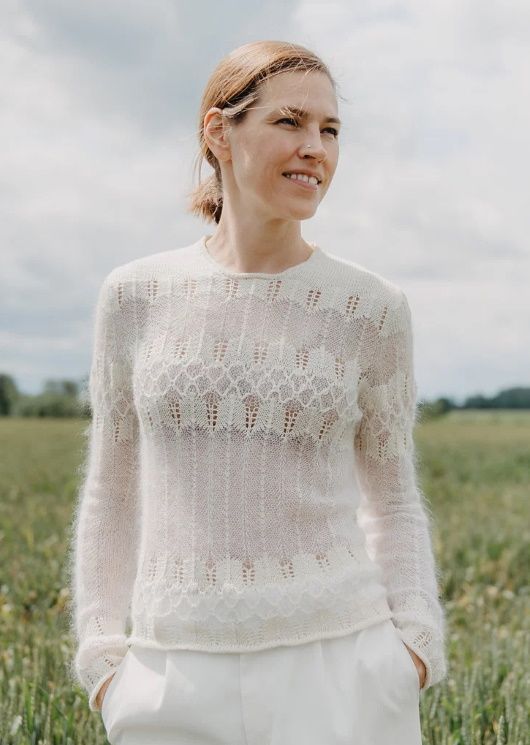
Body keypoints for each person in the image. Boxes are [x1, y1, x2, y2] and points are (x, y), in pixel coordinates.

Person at [68, 39, 447, 745]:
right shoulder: (134, 296)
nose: (316, 149)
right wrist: (103, 659)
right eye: (289, 122)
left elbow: (393, 498)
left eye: (330, 130)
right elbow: (111, 491)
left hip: (342, 668)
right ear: (219, 131)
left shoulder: (371, 309)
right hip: (170, 670)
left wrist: (415, 645)